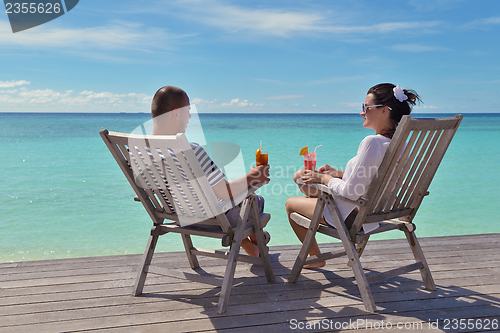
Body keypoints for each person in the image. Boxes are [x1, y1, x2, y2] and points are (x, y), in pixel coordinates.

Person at [285, 83, 421, 268]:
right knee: (301, 177)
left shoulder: (372, 142)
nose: (361, 112)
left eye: (365, 107)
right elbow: (378, 175)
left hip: (355, 217)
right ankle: (321, 205)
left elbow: (351, 193)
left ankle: (315, 257)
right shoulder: (400, 143)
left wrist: (324, 179)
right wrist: (340, 173)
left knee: (291, 204)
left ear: (383, 111)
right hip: (377, 212)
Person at [151, 86, 271, 257]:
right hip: (213, 221)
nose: (190, 117)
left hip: (176, 217)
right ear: (176, 113)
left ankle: (252, 246)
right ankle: (260, 240)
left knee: (236, 201)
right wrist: (254, 178)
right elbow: (225, 192)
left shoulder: (136, 151)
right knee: (254, 201)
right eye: (188, 111)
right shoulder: (190, 149)